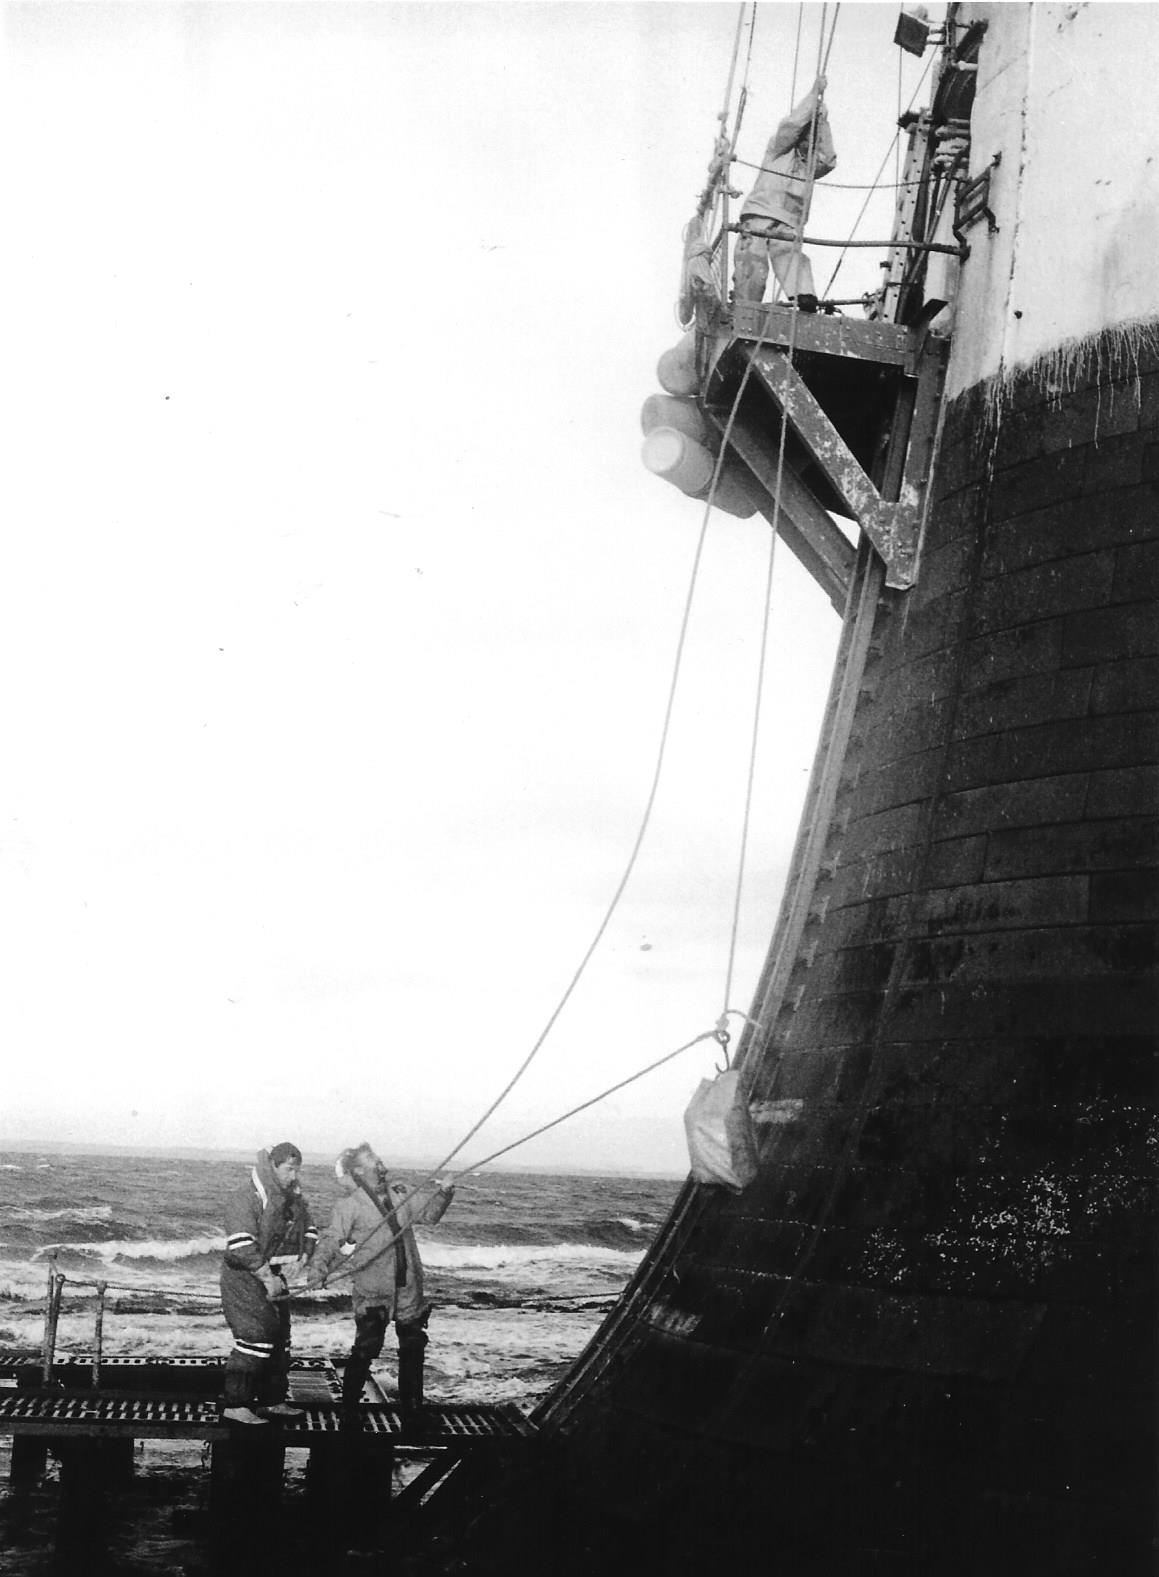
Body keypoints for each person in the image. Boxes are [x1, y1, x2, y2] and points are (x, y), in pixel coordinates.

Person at [308, 1143, 454, 1420]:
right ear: (359, 1169)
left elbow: (430, 1215)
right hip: (374, 1292)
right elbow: (332, 1240)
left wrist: (445, 1192)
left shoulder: (400, 1192)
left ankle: (413, 1413)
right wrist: (318, 1269)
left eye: (377, 1156)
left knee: (413, 1351)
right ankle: (349, 1411)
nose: (379, 1162)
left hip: (409, 1288)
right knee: (365, 1350)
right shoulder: (349, 1206)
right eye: (371, 1158)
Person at [219, 1141, 317, 1426]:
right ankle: (236, 1405)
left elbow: (310, 1230)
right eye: (289, 1170)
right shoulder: (246, 1197)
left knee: (279, 1340)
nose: (294, 1176)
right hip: (245, 1276)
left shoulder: (293, 1199)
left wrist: (303, 1259)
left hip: (279, 1276)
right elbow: (241, 1244)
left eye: (297, 1170)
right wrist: (267, 1278)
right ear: (273, 1166)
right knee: (255, 1337)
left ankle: (273, 1400)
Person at [733, 76, 837, 312]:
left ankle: (804, 296)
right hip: (760, 213)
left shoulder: (808, 168)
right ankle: (745, 308)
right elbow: (791, 125)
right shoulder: (779, 149)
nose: (810, 142)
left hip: (788, 224)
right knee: (752, 264)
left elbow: (829, 160)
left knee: (790, 255)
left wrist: (822, 119)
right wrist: (813, 97)